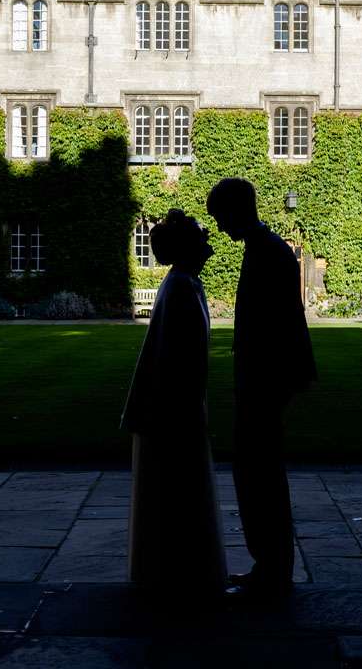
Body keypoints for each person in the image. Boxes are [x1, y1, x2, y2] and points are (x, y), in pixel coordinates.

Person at [206, 178, 317, 600]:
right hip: (265, 376)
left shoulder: (268, 252)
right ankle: (269, 566)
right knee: (258, 472)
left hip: (266, 378)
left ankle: (272, 570)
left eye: (221, 217)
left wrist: (258, 379)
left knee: (259, 475)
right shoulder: (265, 249)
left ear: (237, 210)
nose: (219, 227)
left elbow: (275, 326)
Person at [120, 208, 227, 602]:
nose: (209, 243)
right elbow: (179, 358)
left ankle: (172, 570)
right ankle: (182, 573)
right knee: (179, 492)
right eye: (201, 237)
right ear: (187, 248)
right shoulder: (182, 286)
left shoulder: (183, 282)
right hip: (174, 409)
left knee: (172, 492)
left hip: (173, 404)